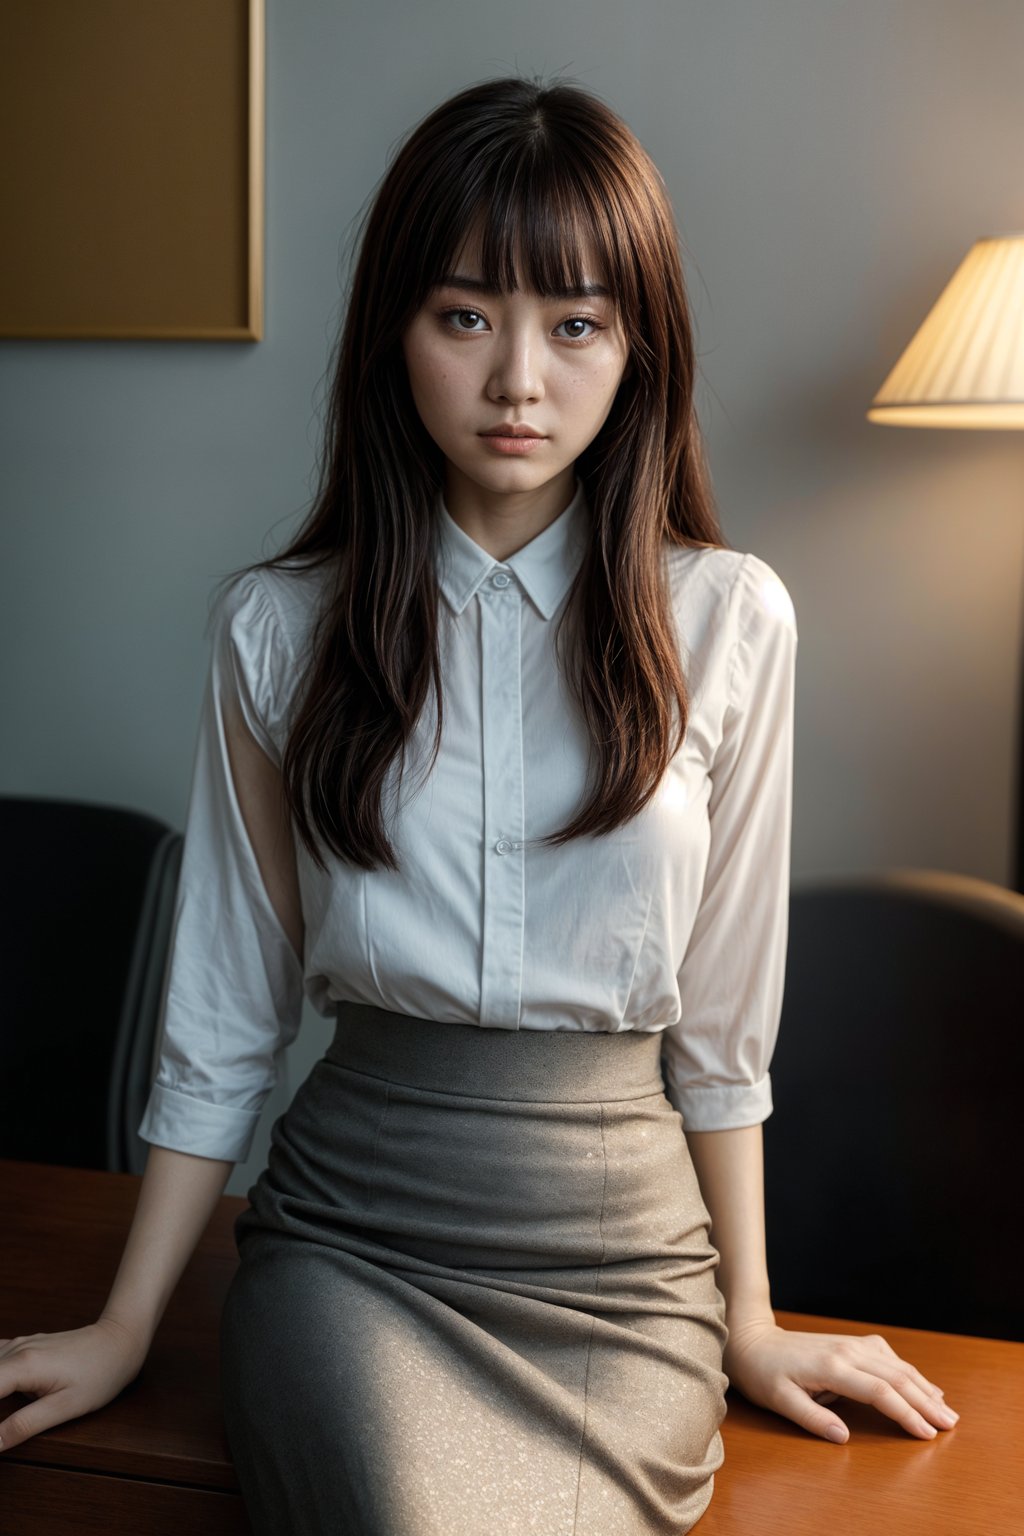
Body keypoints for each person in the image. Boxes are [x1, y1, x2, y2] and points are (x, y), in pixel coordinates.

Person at [0, 72, 957, 1534]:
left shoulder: (729, 622)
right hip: (352, 1252)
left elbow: (719, 1023)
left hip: (627, 1281)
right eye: (466, 316)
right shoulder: (275, 629)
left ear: (640, 349)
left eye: (575, 325)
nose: (520, 378)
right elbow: (224, 1011)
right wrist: (129, 1324)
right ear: (395, 333)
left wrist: (749, 1317)